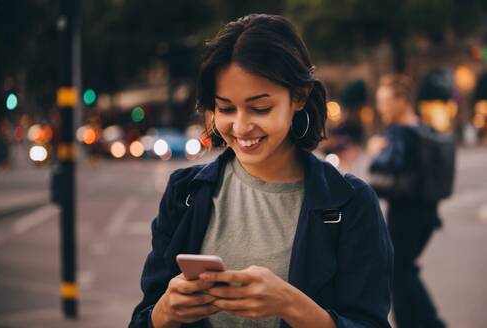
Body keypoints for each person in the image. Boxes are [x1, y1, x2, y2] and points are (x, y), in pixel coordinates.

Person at [129, 14, 393, 328]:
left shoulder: (350, 203)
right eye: (225, 108)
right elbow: (142, 320)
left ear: (299, 97)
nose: (240, 126)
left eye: (260, 107)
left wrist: (292, 305)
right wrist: (163, 314)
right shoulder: (184, 192)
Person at [368, 74, 446, 328]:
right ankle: (429, 320)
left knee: (397, 270)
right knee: (404, 268)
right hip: (426, 212)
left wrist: (377, 151)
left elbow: (387, 167)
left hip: (405, 213)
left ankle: (421, 322)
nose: (381, 107)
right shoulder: (421, 127)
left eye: (385, 101)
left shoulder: (401, 133)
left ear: (401, 101)